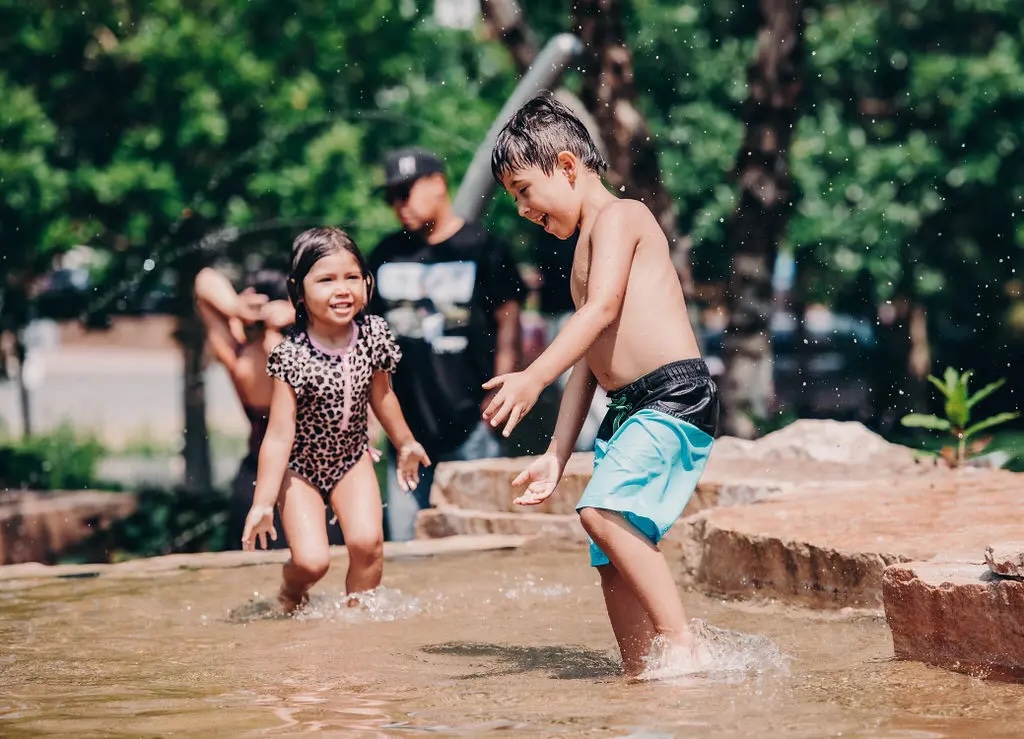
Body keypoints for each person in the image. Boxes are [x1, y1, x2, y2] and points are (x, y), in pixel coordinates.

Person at [482, 94, 720, 677]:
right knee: (610, 553)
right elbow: (589, 358)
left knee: (604, 512)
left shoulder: (623, 217)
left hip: (672, 396)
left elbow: (603, 310)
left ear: (566, 167)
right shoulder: (580, 261)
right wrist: (557, 454)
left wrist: (534, 375)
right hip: (629, 409)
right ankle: (642, 672)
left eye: (522, 190)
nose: (520, 209)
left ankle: (683, 644)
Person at [241, 227, 431, 613]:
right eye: (326, 279)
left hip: (351, 458)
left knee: (367, 546)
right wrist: (262, 502)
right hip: (301, 468)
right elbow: (278, 435)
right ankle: (291, 591)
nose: (342, 289)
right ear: (298, 290)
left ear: (366, 282)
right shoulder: (291, 354)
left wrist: (406, 442)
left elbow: (383, 396)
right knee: (313, 561)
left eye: (351, 277)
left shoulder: (372, 335)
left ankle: (354, 621)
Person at [368, 147, 525, 541]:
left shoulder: (484, 248)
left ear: (438, 184)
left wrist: (502, 389)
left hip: (471, 424)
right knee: (405, 547)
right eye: (391, 197)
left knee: (478, 543)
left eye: (405, 192)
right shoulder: (384, 255)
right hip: (405, 432)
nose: (398, 205)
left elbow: (508, 322)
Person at [194, 265, 296, 549]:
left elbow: (204, 283)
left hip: (255, 479)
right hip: (308, 480)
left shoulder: (239, 355)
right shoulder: (315, 350)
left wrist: (233, 308)